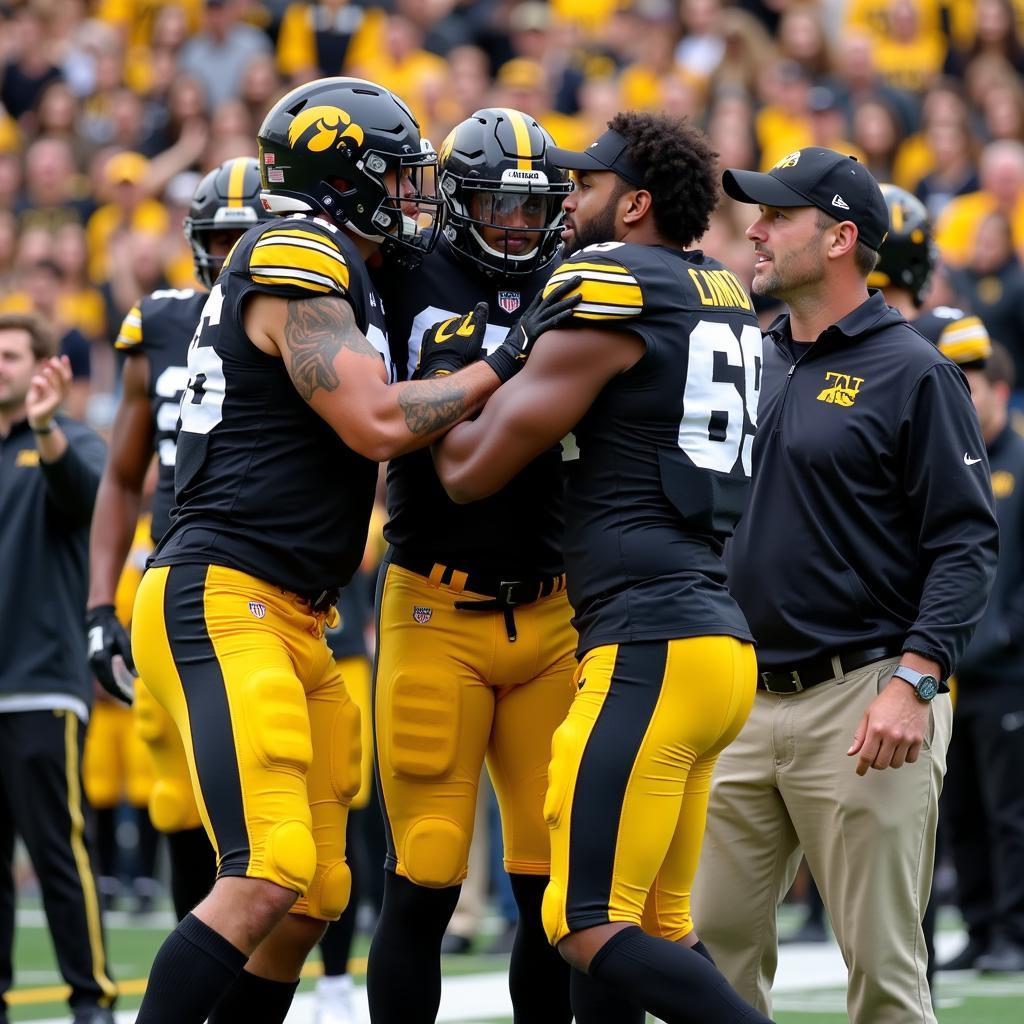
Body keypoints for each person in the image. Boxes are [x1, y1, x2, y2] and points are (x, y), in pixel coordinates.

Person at [128, 76, 579, 1024]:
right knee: (271, 871)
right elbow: (377, 423)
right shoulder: (296, 251)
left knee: (319, 898)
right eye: (399, 176)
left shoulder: (349, 262)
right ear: (344, 178)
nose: (415, 195)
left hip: (295, 608)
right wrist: (505, 358)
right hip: (224, 591)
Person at [432, 111, 773, 1024]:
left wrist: (468, 364)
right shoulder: (725, 290)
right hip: (711, 645)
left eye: (586, 188)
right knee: (655, 926)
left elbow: (467, 471)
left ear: (636, 204)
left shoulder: (610, 280)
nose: (568, 204)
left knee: (581, 921)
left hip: (650, 642)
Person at [692, 147, 999, 1024]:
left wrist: (915, 680)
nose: (754, 229)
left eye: (778, 217)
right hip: (737, 697)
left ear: (839, 238)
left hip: (864, 699)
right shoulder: (746, 356)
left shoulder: (917, 372)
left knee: (884, 979)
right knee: (708, 966)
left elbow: (967, 542)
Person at [366, 107, 577, 1024]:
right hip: (433, 604)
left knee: (553, 883)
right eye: (499, 206)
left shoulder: (575, 276)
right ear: (454, 203)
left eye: (535, 210)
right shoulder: (404, 269)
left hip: (553, 605)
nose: (520, 228)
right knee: (428, 868)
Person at [87, 156, 272, 924]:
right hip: (177, 568)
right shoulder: (160, 321)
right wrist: (101, 604)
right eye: (219, 237)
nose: (230, 255)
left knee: (275, 783)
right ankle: (205, 972)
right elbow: (122, 475)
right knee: (179, 789)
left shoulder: (307, 315)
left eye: (245, 237)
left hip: (268, 575)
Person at [0, 312, 116, 1024]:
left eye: (11, 355)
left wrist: (46, 428)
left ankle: (91, 1001)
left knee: (58, 858)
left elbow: (87, 500)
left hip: (41, 684)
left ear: (43, 367)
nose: (0, 366)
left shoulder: (69, 439)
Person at [927, 337, 1024, 974]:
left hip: (1008, 672)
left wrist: (1003, 634)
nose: (967, 395)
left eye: (976, 383)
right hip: (953, 671)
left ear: (1001, 390)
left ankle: (1015, 932)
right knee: (959, 810)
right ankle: (983, 927)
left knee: (1010, 810)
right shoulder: (951, 458)